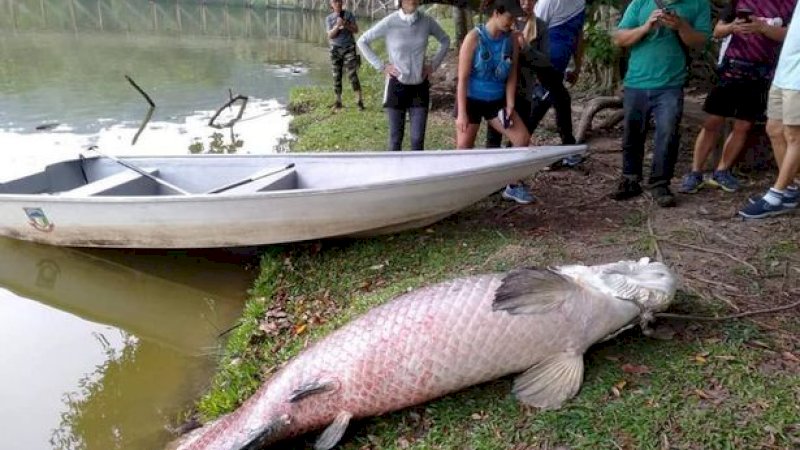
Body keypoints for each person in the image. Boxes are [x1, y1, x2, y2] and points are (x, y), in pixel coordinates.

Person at [680, 0, 794, 195]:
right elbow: (717, 31)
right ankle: (695, 172)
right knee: (712, 121)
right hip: (732, 67)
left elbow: (790, 36)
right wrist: (732, 27)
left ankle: (722, 171)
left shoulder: (790, 4)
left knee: (744, 125)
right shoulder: (740, 1)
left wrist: (762, 28)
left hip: (763, 73)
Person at [610, 0, 711, 207]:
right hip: (636, 80)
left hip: (671, 83)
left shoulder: (698, 4)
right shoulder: (640, 2)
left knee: (668, 132)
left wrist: (681, 26)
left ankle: (660, 183)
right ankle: (630, 178)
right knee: (632, 131)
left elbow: (701, 41)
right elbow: (619, 38)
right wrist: (646, 27)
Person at [456, 0, 533, 203]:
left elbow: (512, 75)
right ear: (497, 13)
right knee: (463, 148)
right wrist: (462, 113)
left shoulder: (511, 40)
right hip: (471, 99)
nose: (513, 23)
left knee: (522, 138)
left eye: (515, 19)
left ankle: (513, 185)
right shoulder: (473, 38)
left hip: (496, 101)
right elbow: (462, 79)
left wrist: (509, 105)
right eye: (510, 18)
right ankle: (459, 191)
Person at [357, 0, 450, 151]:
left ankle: (416, 173)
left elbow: (445, 40)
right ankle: (395, 174)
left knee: (417, 140)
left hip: (420, 86)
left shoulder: (427, 21)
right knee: (395, 140)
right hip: (397, 86)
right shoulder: (390, 22)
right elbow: (362, 41)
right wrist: (382, 66)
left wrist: (433, 65)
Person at [739, 2, 800, 218]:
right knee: (774, 129)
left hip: (798, 80)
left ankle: (777, 195)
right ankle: (792, 189)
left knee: (795, 137)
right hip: (784, 73)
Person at [485, 0, 551, 151]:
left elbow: (545, 61)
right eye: (522, 0)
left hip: (524, 89)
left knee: (519, 141)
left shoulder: (540, 26)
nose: (526, 4)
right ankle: (492, 171)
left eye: (530, 1)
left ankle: (511, 173)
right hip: (500, 89)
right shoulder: (504, 22)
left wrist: (526, 48)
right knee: (493, 138)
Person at [531, 0, 584, 168]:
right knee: (548, 101)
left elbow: (577, 35)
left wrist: (576, 66)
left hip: (559, 67)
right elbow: (532, 34)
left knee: (557, 102)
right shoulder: (548, 3)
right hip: (545, 66)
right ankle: (512, 150)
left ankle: (569, 150)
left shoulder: (580, 3)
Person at [326, 0, 364, 110]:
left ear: (342, 3)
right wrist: (338, 25)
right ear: (331, 4)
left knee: (352, 75)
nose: (337, 4)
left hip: (349, 48)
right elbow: (330, 36)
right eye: (335, 2)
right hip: (335, 49)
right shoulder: (329, 18)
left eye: (339, 1)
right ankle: (338, 101)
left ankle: (359, 101)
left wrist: (346, 24)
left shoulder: (349, 15)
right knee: (336, 75)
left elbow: (356, 30)